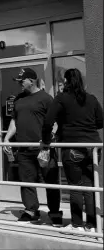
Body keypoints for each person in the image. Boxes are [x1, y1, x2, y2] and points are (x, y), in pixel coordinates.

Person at [42, 68, 103, 232]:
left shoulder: (61, 98)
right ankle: (91, 225)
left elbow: (48, 121)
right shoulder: (91, 98)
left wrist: (46, 141)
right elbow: (100, 122)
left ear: (66, 82)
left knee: (75, 186)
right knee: (89, 186)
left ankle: (77, 224)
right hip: (93, 148)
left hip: (72, 147)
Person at [4, 68, 61, 225]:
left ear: (32, 81)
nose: (20, 84)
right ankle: (31, 210)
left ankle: (55, 211)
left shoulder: (46, 98)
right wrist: (7, 138)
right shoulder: (18, 100)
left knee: (51, 181)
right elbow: (14, 121)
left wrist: (50, 140)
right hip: (24, 149)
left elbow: (55, 122)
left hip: (44, 149)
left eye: (22, 81)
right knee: (27, 181)